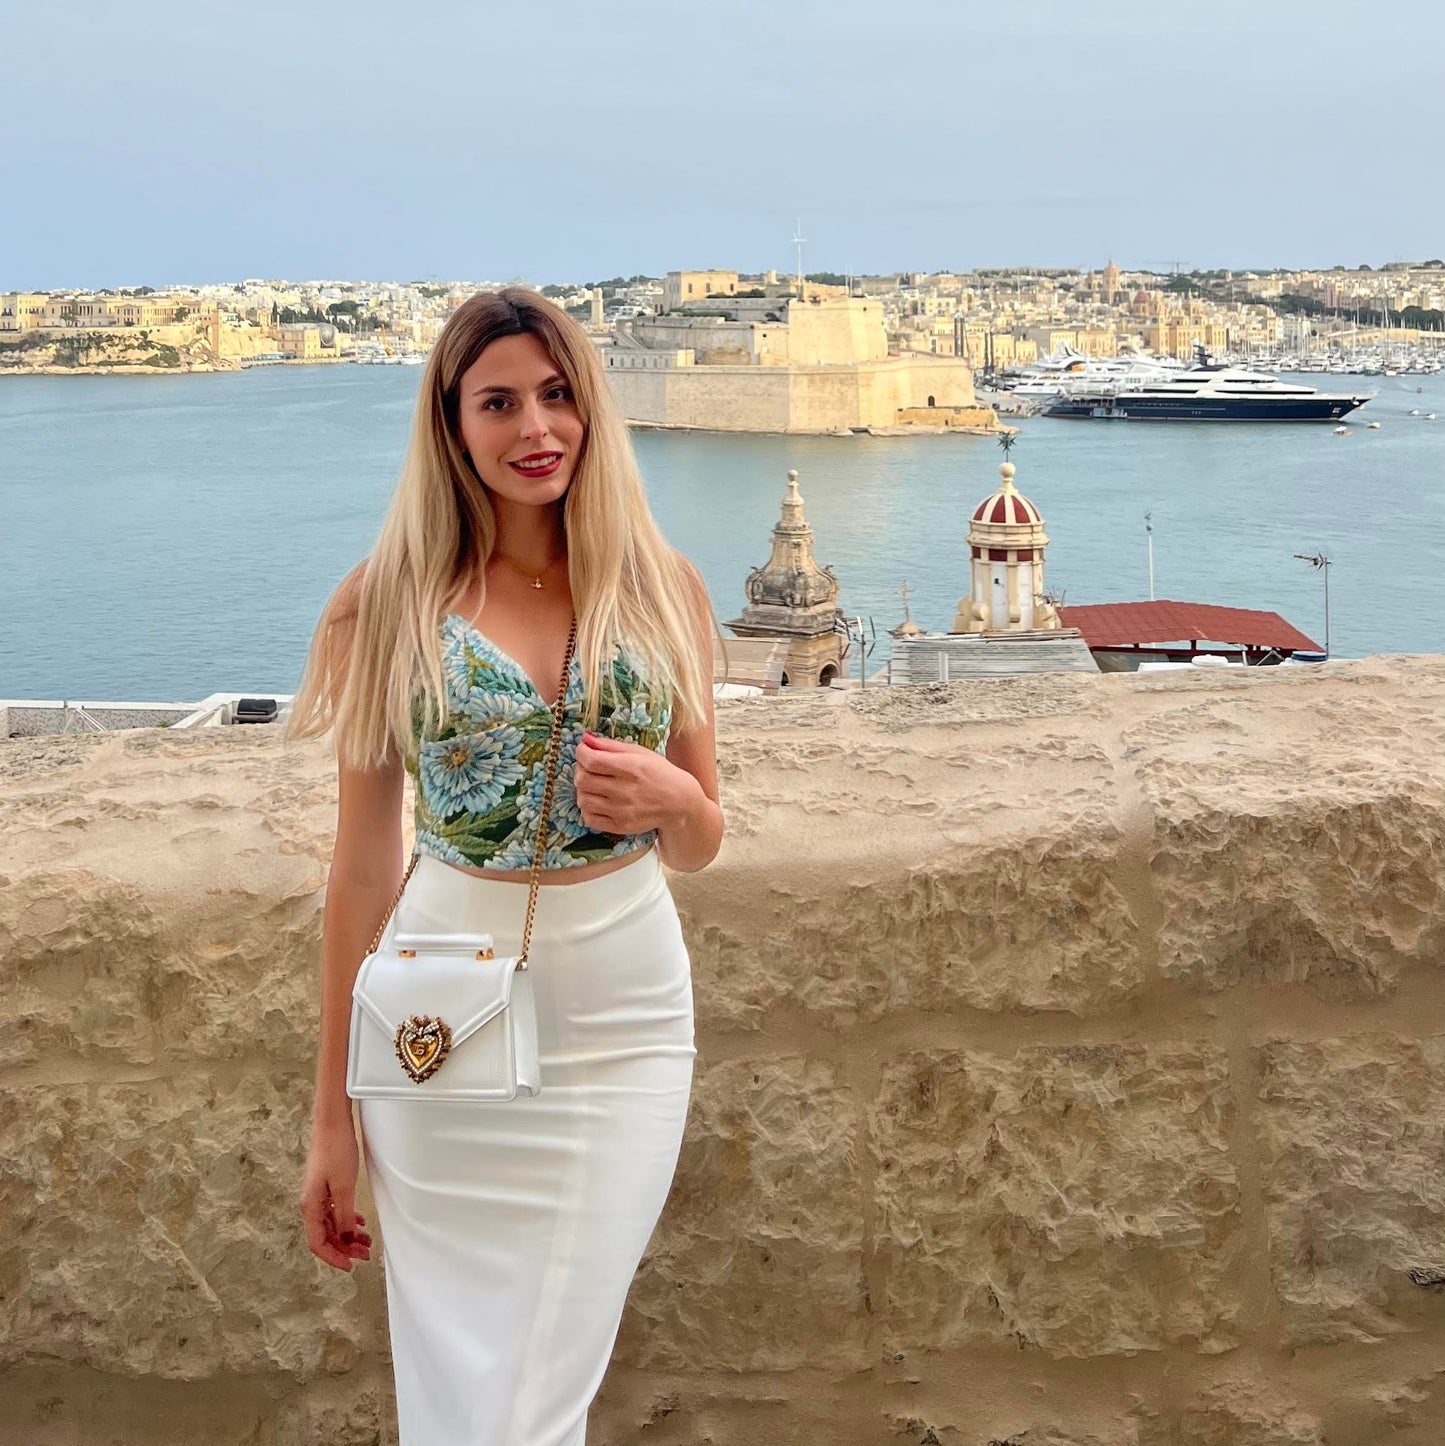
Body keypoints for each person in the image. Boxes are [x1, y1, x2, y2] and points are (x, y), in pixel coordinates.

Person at [287, 286, 725, 1444]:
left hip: (622, 1019)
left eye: (555, 394)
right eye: (497, 401)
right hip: (438, 1022)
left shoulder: (661, 587)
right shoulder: (380, 606)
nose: (534, 427)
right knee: (466, 1387)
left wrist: (674, 797)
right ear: (450, 424)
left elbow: (700, 838)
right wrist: (332, 1119)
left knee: (536, 1380)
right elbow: (361, 872)